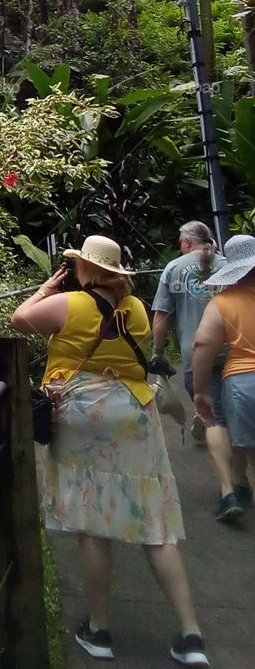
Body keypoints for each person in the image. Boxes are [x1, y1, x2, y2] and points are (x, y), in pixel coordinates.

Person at [11, 235, 208, 667]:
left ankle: (99, 630)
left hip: (83, 413)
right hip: (134, 412)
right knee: (156, 525)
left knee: (92, 524)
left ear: (85, 268)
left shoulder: (70, 305)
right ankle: (191, 635)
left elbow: (18, 320)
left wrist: (46, 289)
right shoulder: (134, 308)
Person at [151, 220, 252, 521]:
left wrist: (157, 354)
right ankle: (241, 479)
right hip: (236, 354)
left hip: (199, 357)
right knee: (241, 422)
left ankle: (228, 490)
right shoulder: (229, 265)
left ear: (185, 242)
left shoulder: (173, 268)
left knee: (215, 420)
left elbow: (161, 316)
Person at [192, 234, 255, 500]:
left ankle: (236, 486)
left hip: (243, 382)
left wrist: (201, 391)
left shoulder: (222, 302)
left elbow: (203, 345)